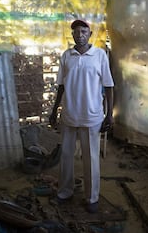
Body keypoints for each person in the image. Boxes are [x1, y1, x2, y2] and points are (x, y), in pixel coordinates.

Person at [49, 19, 114, 213]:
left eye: (84, 31)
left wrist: (109, 115)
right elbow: (61, 86)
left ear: (90, 34)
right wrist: (54, 111)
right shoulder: (66, 56)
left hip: (92, 115)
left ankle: (92, 198)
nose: (80, 34)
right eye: (76, 32)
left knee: (91, 158)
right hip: (69, 114)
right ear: (72, 35)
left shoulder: (100, 55)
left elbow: (109, 86)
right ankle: (64, 192)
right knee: (67, 156)